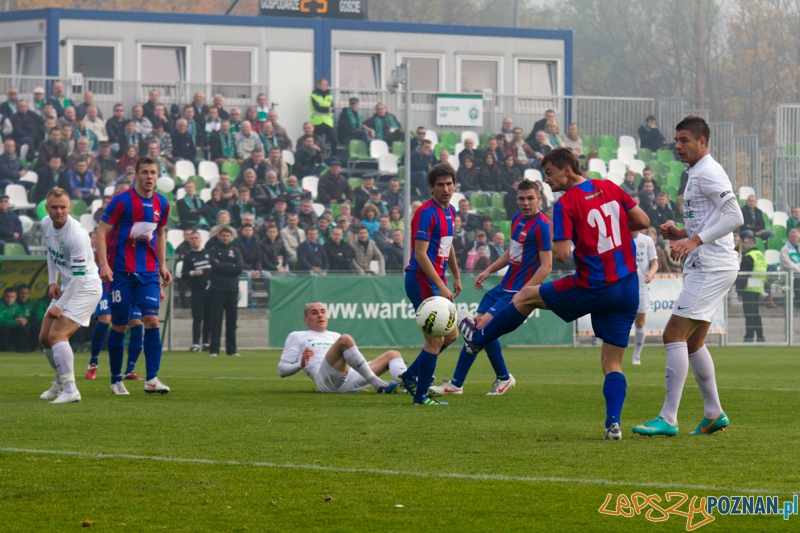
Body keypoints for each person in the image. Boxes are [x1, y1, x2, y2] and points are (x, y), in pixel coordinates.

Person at [458, 147, 650, 439]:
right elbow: (642, 221)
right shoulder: (609, 186)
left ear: (567, 170)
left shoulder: (565, 204)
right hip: (626, 288)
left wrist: (583, 238)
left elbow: (560, 255)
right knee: (612, 363)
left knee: (524, 296)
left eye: (549, 173)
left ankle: (477, 339)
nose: (546, 180)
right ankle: (613, 424)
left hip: (593, 284)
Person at [632, 116, 744, 437]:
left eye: (684, 140)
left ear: (702, 142)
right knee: (694, 343)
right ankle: (713, 413)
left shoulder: (708, 171)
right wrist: (681, 231)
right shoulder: (696, 173)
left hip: (710, 265)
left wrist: (694, 240)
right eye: (677, 140)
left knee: (672, 336)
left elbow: (734, 215)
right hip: (711, 263)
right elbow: (711, 218)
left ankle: (668, 418)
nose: (678, 146)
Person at [432, 180, 551, 396]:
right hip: (503, 286)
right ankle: (503, 377)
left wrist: (527, 292)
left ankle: (456, 384)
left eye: (530, 198)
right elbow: (511, 252)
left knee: (476, 333)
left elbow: (547, 266)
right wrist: (489, 270)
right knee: (483, 334)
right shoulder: (517, 219)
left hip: (517, 292)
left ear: (539, 199)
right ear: (516, 200)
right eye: (522, 198)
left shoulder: (542, 225)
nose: (525, 203)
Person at [95, 157, 172, 395]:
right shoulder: (121, 201)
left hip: (148, 272)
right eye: (145, 172)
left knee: (151, 320)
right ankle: (116, 379)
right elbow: (101, 231)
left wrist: (163, 265)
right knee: (119, 325)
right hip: (120, 272)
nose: (149, 176)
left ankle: (152, 379)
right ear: (136, 175)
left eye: (153, 173)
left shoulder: (163, 203)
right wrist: (103, 266)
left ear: (157, 176)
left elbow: (160, 234)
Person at [400, 164, 462, 406]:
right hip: (421, 279)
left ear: (454, 185)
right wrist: (441, 285)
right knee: (436, 338)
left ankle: (410, 376)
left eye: (449, 184)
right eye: (440, 185)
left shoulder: (451, 211)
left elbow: (448, 244)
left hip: (437, 282)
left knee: (452, 335)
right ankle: (421, 397)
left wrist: (455, 276)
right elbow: (420, 255)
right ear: (431, 187)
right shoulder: (425, 213)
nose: (445, 189)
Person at [37, 188, 103, 403]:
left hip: (86, 288)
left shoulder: (77, 234)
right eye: (54, 207)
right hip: (68, 285)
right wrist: (52, 281)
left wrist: (60, 304)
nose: (59, 211)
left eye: (63, 207)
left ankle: (71, 390)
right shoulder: (46, 224)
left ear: (69, 208)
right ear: (47, 208)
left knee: (57, 335)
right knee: (44, 338)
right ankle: (60, 382)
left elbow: (79, 277)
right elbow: (51, 252)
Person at [278, 302, 403, 393]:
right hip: (326, 381)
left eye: (323, 312)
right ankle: (377, 383)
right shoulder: (297, 336)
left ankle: (408, 385)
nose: (320, 315)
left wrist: (356, 385)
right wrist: (300, 364)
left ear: (327, 316)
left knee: (393, 355)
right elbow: (282, 370)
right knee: (345, 339)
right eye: (314, 313)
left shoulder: (334, 336)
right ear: (305, 319)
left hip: (349, 378)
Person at [207, 226, 242, 357]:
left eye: (228, 235)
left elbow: (239, 268)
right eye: (223, 235)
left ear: (231, 237)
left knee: (232, 321)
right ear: (219, 236)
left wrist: (222, 266)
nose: (225, 237)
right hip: (217, 289)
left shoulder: (236, 251)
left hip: (232, 289)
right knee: (216, 320)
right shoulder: (213, 250)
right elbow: (214, 266)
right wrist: (229, 265)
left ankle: (231, 350)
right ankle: (214, 349)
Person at [630, 229, 658, 365]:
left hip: (642, 285)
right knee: (622, 320)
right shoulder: (620, 238)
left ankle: (636, 355)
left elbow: (655, 263)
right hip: (623, 284)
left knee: (640, 321)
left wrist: (651, 273)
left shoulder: (646, 241)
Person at [735, 234, 766, 343]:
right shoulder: (761, 255)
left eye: (746, 243)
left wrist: (739, 292)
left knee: (749, 314)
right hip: (757, 287)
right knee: (755, 313)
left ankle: (749, 336)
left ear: (751, 243)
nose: (743, 245)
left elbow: (743, 276)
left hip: (748, 288)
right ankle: (760, 336)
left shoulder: (749, 256)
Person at [309, 78, 335, 152]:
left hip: (327, 122)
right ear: (318, 85)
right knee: (318, 142)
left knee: (333, 141)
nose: (325, 86)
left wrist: (326, 109)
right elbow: (317, 108)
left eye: (326, 85)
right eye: (323, 84)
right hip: (317, 122)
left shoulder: (329, 96)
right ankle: (319, 157)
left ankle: (334, 158)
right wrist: (327, 109)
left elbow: (333, 109)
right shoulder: (313, 96)